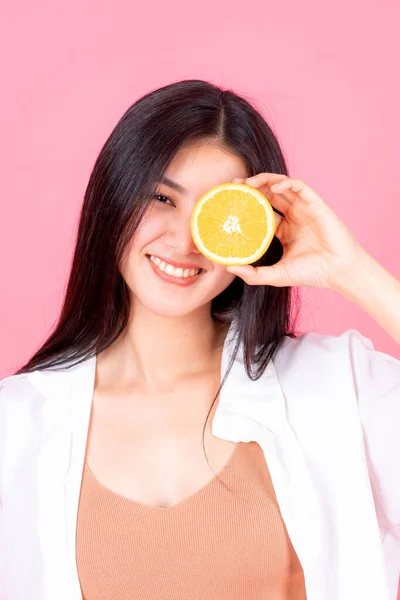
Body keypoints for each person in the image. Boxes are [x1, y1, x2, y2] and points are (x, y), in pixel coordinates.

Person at [0, 79, 399, 600]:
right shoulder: (18, 423)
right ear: (114, 199)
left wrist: (354, 272)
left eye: (218, 211)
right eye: (162, 198)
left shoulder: (337, 387)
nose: (185, 240)